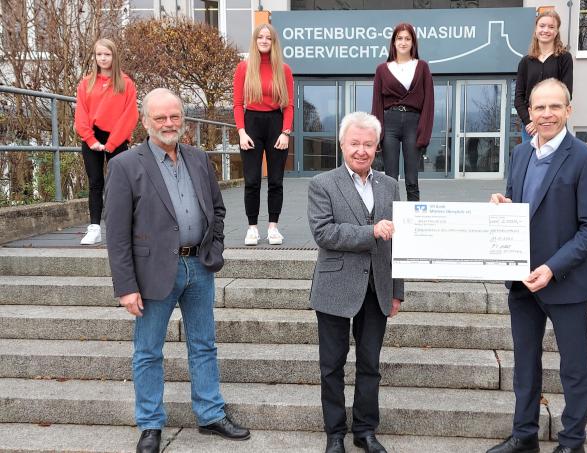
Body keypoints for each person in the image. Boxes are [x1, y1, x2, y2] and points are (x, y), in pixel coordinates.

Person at [104, 88, 250, 453]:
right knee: (148, 351)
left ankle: (210, 413)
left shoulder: (199, 158)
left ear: (183, 119)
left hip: (198, 266)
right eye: (160, 118)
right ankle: (151, 424)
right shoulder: (125, 165)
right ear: (146, 122)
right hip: (153, 272)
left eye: (175, 117)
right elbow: (117, 233)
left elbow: (217, 210)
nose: (169, 124)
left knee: (204, 345)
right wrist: (125, 286)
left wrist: (212, 247)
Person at [488, 79, 587, 453]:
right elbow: (526, 208)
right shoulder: (521, 154)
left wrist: (553, 268)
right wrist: (504, 207)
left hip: (565, 282)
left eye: (555, 107)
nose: (547, 114)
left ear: (568, 111)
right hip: (522, 281)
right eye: (539, 108)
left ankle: (572, 442)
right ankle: (524, 436)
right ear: (530, 113)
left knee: (574, 367)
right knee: (525, 363)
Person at [307, 111, 404, 453]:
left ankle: (365, 430)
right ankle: (335, 433)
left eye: (368, 144)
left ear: (377, 147)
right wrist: (370, 232)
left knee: (370, 365)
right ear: (342, 144)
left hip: (377, 286)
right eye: (354, 143)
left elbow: (399, 242)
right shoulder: (323, 184)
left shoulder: (390, 185)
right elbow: (324, 232)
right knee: (331, 365)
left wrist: (397, 292)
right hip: (335, 287)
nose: (361, 150)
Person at [233, 23, 295, 246]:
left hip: (275, 123)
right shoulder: (244, 68)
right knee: (251, 180)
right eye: (260, 37)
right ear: (255, 40)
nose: (264, 41)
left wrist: (285, 132)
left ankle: (273, 228)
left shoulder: (284, 70)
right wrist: (241, 132)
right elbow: (238, 104)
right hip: (251, 124)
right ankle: (252, 228)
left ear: (274, 42)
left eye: (268, 38)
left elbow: (288, 106)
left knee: (276, 181)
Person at [74, 38, 138, 245]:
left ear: (114, 56)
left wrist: (112, 144)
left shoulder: (126, 83)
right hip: (91, 137)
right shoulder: (86, 83)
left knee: (120, 184)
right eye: (99, 54)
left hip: (116, 138)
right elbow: (81, 113)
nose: (103, 58)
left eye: (107, 54)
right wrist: (90, 139)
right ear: (94, 57)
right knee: (95, 183)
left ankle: (121, 227)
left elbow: (130, 115)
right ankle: (94, 228)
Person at [371, 22, 434, 201]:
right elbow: (377, 103)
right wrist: (377, 134)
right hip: (389, 123)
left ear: (413, 43)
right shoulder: (382, 69)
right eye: (399, 38)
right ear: (393, 42)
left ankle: (413, 223)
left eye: (407, 38)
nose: (403, 42)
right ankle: (390, 223)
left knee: (412, 180)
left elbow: (429, 102)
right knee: (390, 179)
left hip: (413, 124)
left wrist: (424, 132)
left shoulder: (422, 67)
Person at [514, 10, 573, 144]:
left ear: (557, 32)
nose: (546, 30)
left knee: (557, 162)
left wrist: (548, 117)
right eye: (542, 26)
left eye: (551, 27)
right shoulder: (525, 62)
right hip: (530, 127)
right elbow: (518, 98)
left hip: (555, 123)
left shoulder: (564, 58)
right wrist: (531, 121)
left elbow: (567, 93)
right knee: (531, 162)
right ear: (536, 29)